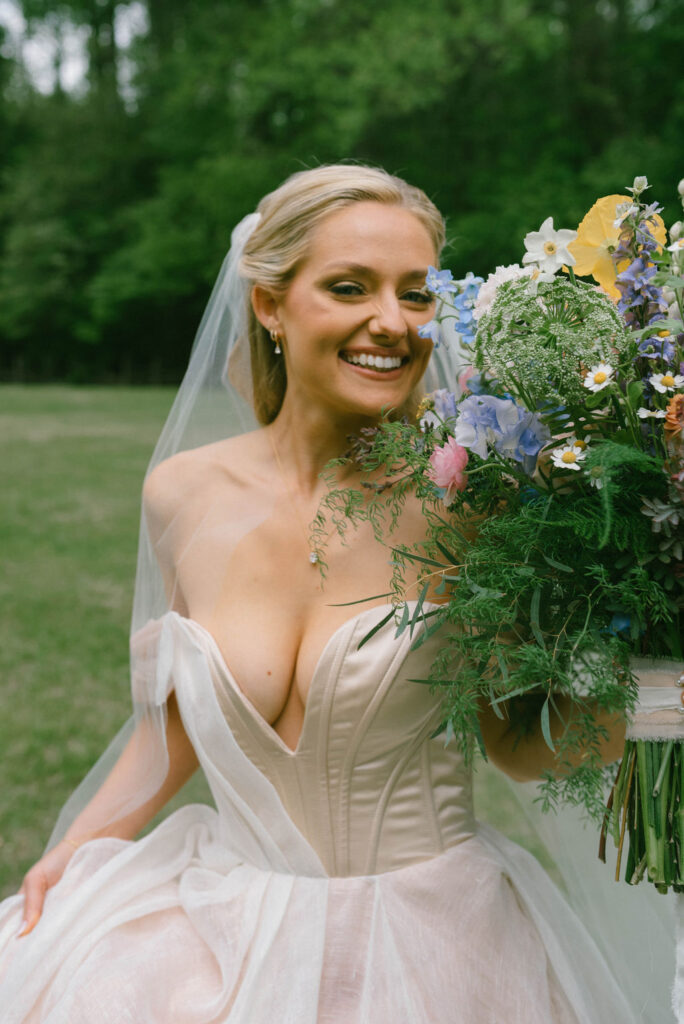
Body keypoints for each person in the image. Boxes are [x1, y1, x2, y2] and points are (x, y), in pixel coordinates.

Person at [0, 164, 675, 1022]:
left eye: (418, 293)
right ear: (270, 304)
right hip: (224, 926)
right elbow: (172, 727)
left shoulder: (480, 504)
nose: (391, 323)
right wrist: (80, 849)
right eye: (350, 287)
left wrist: (660, 703)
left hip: (429, 945)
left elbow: (515, 740)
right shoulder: (180, 493)